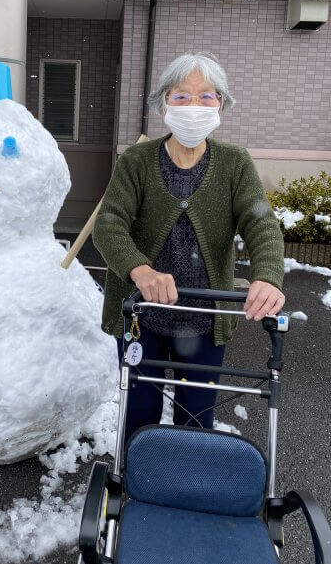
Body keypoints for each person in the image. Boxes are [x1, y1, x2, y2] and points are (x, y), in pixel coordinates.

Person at [93, 52, 285, 441]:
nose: (193, 106)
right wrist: (140, 270)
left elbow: (260, 222)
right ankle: (137, 479)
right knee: (139, 413)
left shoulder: (234, 163)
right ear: (163, 103)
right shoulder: (137, 161)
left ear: (221, 105)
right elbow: (109, 224)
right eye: (181, 96)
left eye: (206, 97)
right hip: (140, 315)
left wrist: (267, 277)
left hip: (202, 318)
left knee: (196, 417)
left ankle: (187, 483)